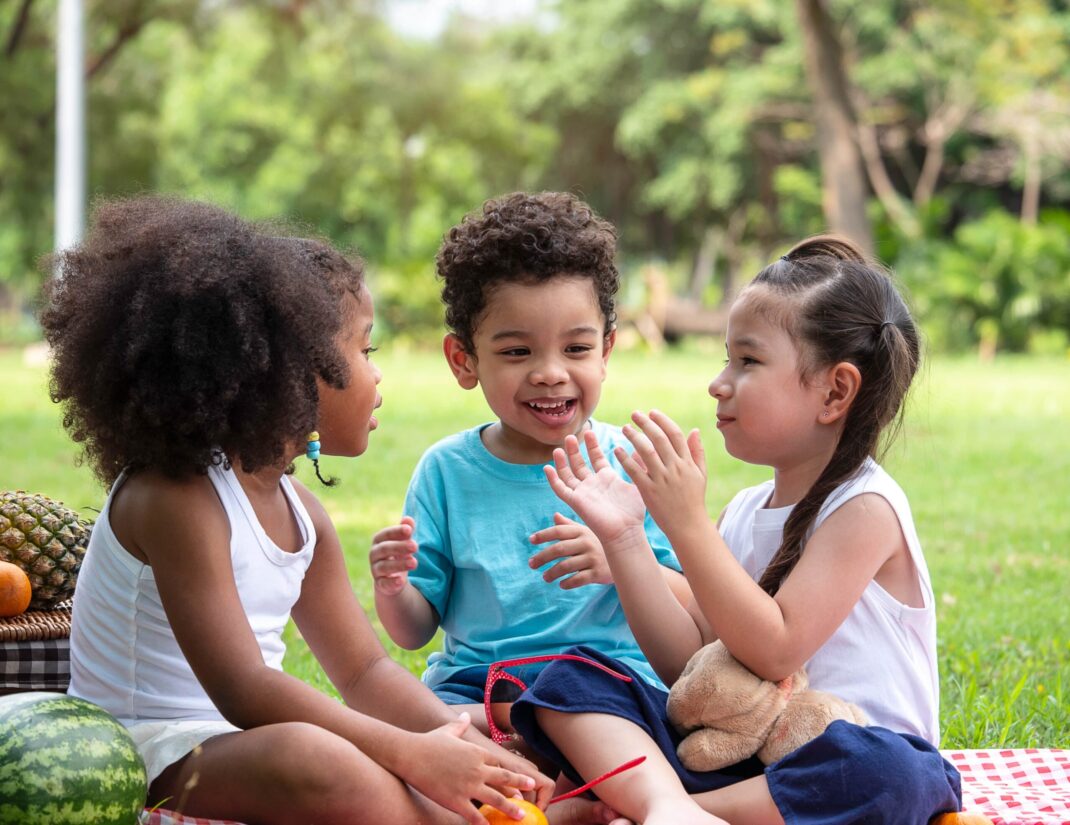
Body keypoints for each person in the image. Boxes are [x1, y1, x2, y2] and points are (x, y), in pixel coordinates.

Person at [44, 196, 557, 825]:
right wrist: (410, 753)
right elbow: (245, 690)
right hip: (144, 755)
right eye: (366, 351)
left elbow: (366, 671)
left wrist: (471, 749)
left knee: (412, 748)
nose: (378, 377)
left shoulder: (302, 514)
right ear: (292, 372)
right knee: (320, 756)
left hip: (240, 748)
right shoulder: (176, 497)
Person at [511, 236, 963, 824]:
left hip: (847, 768)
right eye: (726, 358)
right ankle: (671, 808)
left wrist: (686, 524)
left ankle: (666, 808)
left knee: (895, 773)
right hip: (738, 759)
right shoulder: (747, 510)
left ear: (835, 391)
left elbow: (776, 649)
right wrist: (625, 542)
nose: (718, 382)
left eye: (747, 361)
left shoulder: (866, 508)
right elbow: (692, 669)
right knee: (570, 679)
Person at [369, 192, 689, 741]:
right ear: (463, 360)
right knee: (410, 725)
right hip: (481, 690)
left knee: (587, 719)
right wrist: (394, 586)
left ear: (606, 352)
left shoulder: (630, 464)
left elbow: (689, 621)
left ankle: (553, 754)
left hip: (608, 692)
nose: (549, 373)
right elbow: (413, 632)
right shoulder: (446, 472)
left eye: (576, 348)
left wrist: (621, 559)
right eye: (518, 352)